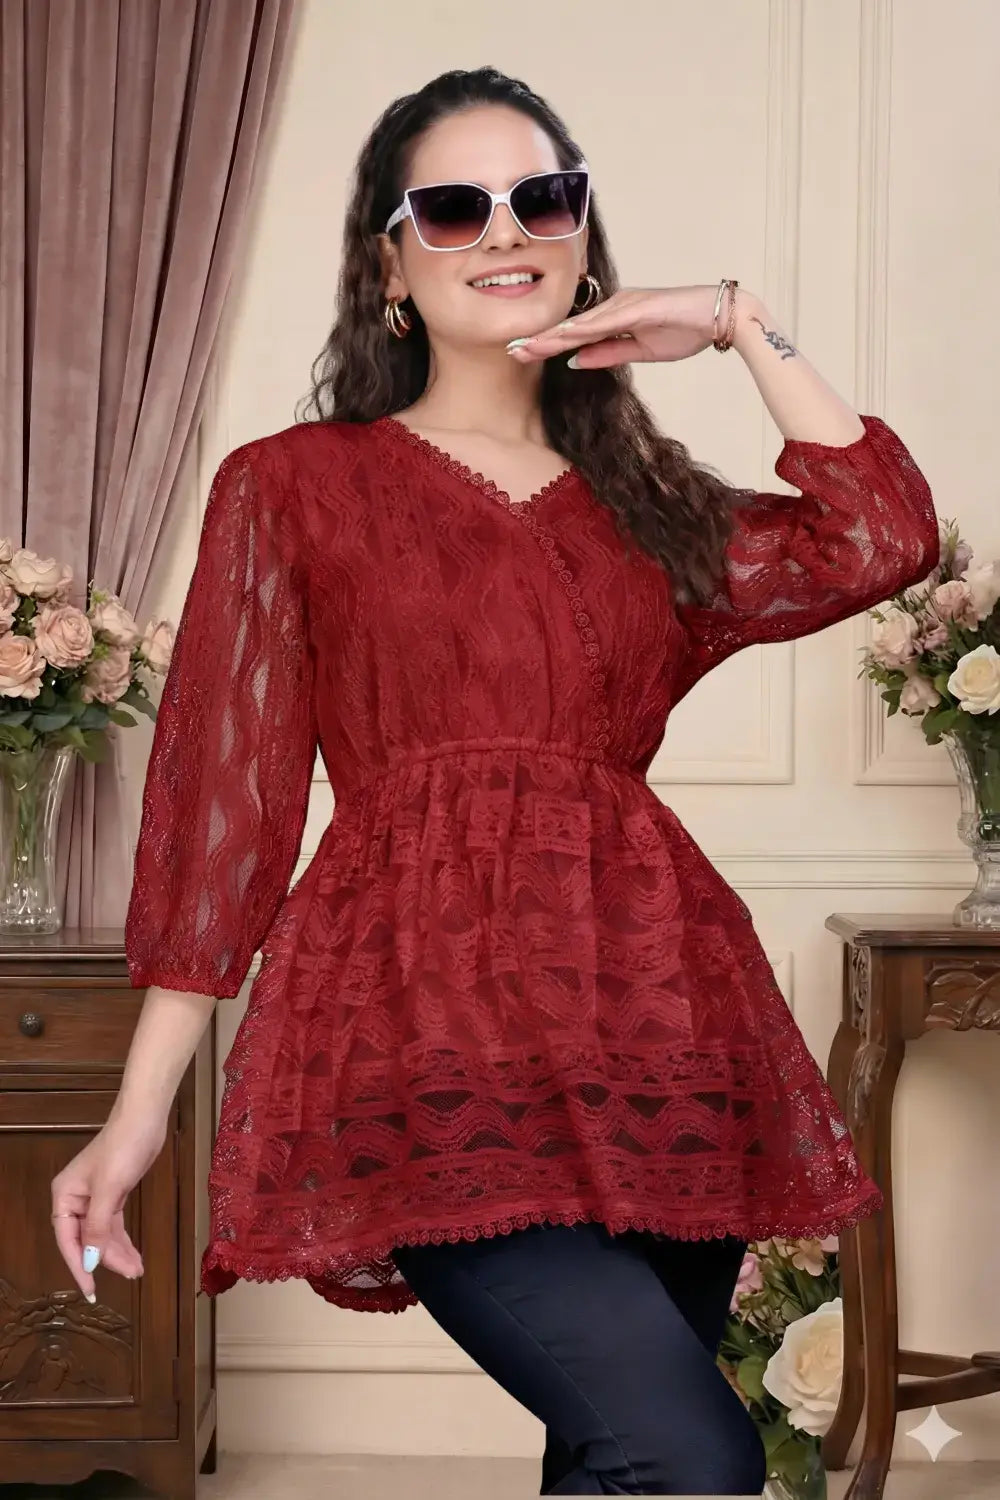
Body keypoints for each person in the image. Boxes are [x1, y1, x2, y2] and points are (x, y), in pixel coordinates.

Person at [50, 66, 940, 1496]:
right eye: (454, 208)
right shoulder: (294, 487)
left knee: (616, 1460)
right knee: (691, 1453)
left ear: (586, 232)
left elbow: (880, 538)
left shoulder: (656, 514)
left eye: (544, 197)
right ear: (388, 262)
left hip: (654, 1027)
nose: (506, 230)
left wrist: (729, 323)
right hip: (428, 1044)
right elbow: (229, 814)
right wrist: (139, 1106)